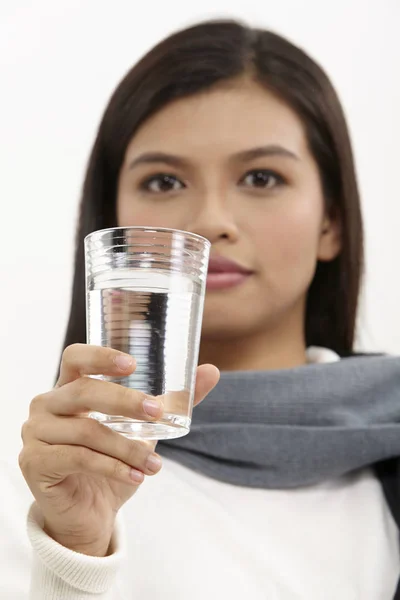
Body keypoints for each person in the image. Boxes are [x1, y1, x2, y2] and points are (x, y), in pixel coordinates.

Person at [1, 18, 400, 600]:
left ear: (330, 223)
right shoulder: (42, 476)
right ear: (112, 224)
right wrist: (73, 557)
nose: (211, 220)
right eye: (164, 182)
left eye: (261, 177)